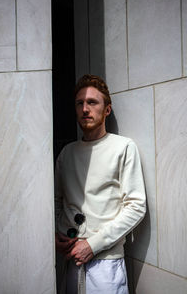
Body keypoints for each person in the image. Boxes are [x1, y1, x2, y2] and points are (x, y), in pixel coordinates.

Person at [55, 74, 146, 294]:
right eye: (80, 103)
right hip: (70, 262)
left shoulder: (123, 147)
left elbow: (136, 206)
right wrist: (55, 236)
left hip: (105, 264)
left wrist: (93, 244)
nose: (85, 109)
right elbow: (54, 202)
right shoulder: (67, 153)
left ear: (107, 110)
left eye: (92, 102)